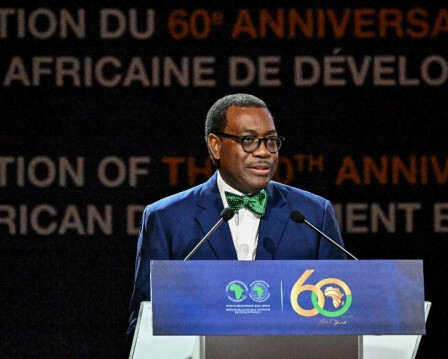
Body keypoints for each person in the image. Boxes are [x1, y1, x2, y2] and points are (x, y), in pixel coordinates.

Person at [126, 93, 347, 344]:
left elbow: (340, 311)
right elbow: (144, 321)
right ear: (216, 145)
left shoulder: (313, 214)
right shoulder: (167, 218)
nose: (264, 152)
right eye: (249, 140)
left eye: (271, 141)